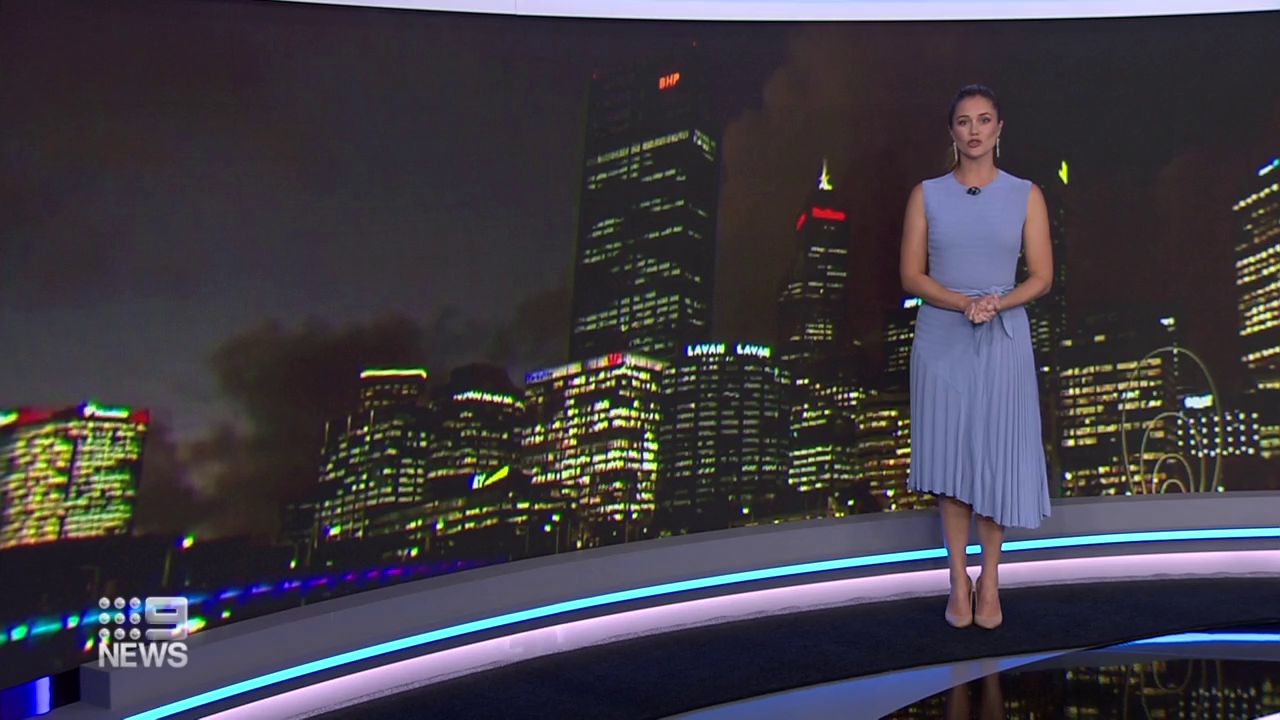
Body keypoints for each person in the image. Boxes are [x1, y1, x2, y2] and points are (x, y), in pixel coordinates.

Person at [898, 84, 1054, 630]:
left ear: (999, 128)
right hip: (942, 338)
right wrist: (964, 303)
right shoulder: (926, 194)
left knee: (994, 463)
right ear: (952, 131)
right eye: (964, 121)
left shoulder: (1026, 194)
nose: (974, 130)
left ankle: (989, 580)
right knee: (952, 466)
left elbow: (1041, 276)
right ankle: (956, 581)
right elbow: (911, 275)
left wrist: (996, 304)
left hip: (1002, 335)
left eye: (984, 120)